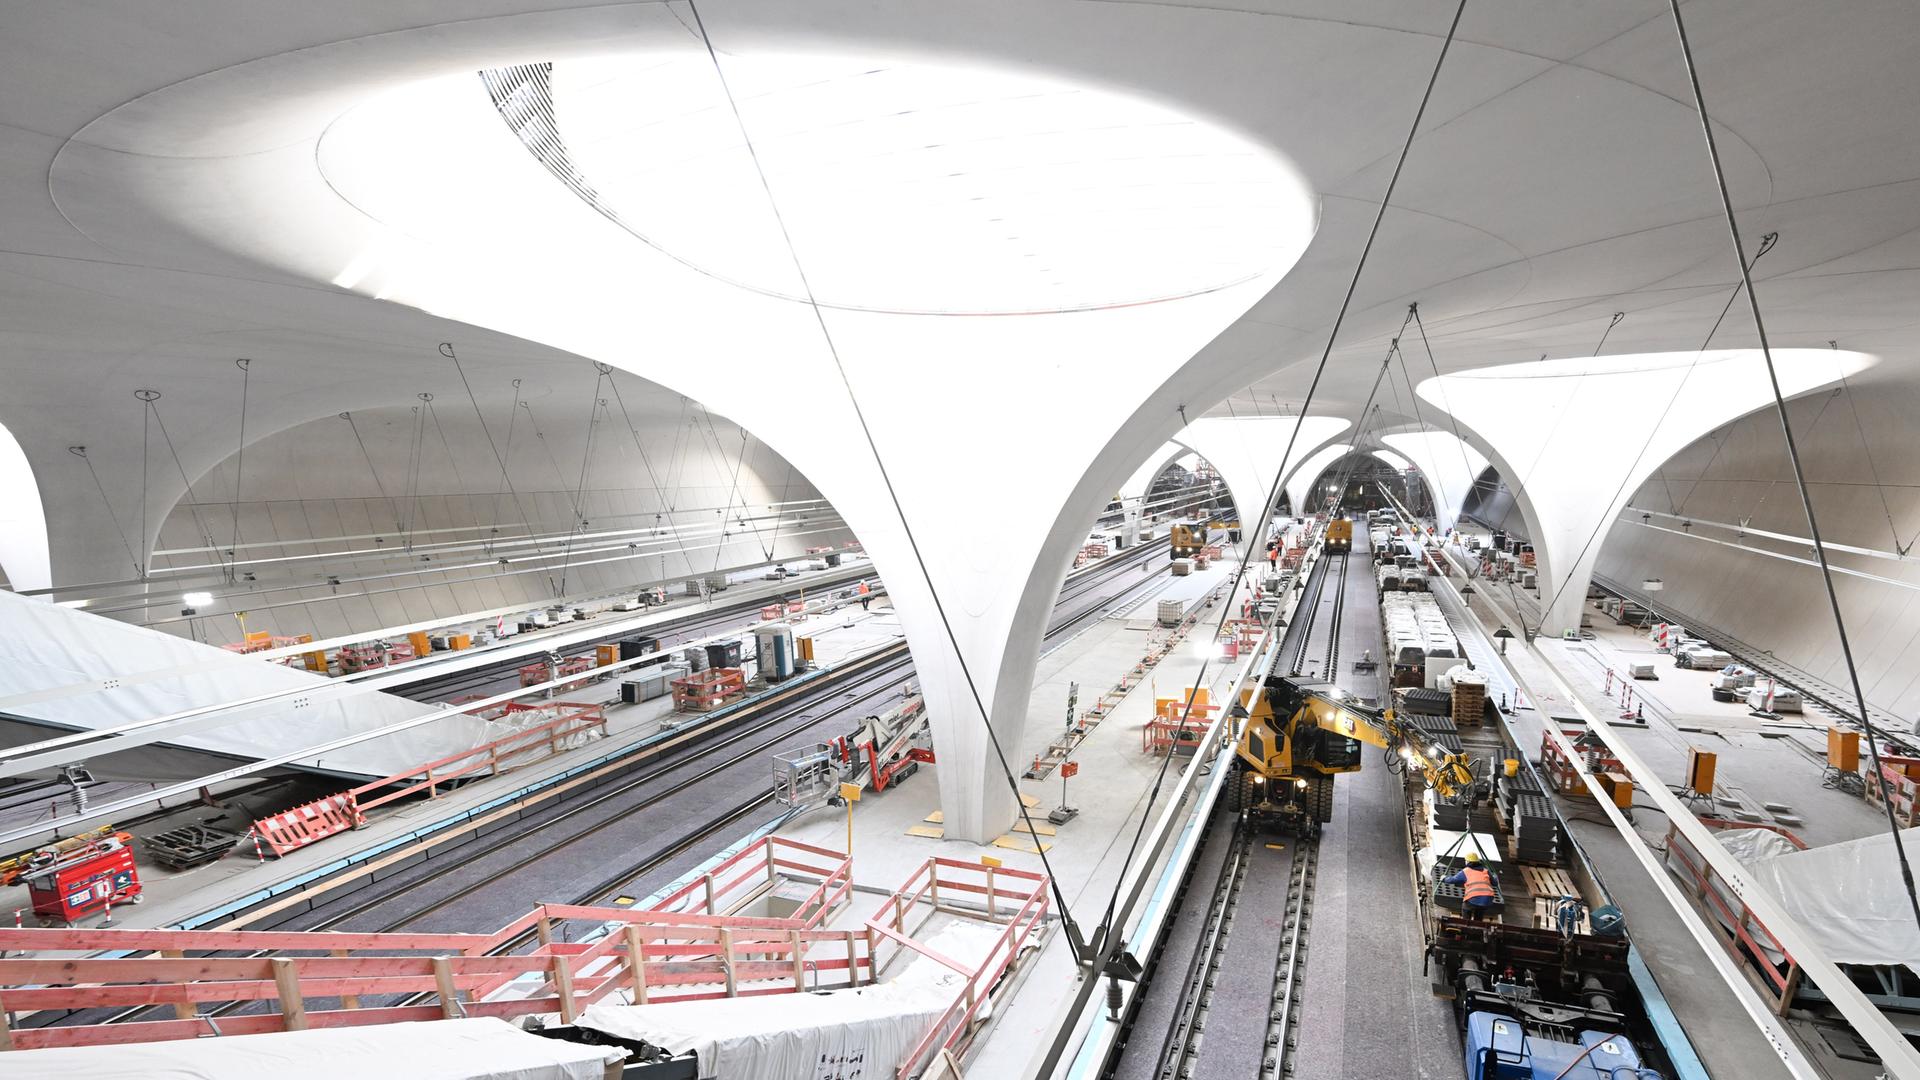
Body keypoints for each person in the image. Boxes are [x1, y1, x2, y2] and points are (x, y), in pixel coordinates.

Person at [1443, 852, 1497, 920]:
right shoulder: (1486, 871)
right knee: (1479, 911)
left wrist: (1444, 878)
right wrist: (1495, 877)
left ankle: (1466, 923)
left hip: (1474, 898)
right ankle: (1478, 926)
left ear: (1468, 861)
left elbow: (1452, 880)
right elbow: (1495, 883)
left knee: (1466, 908)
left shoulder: (1466, 871)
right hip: (1488, 899)